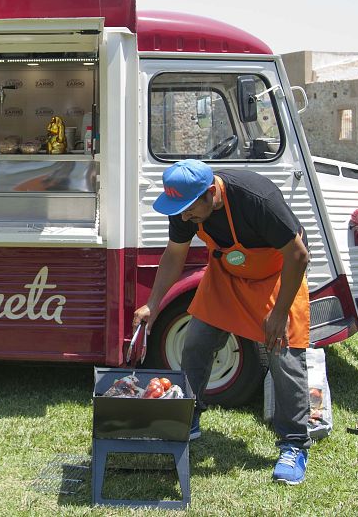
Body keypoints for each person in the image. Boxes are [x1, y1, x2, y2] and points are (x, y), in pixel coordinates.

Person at [133, 159, 312, 486]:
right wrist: (153, 304)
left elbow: (299, 255)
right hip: (227, 276)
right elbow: (175, 254)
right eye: (180, 211)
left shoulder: (257, 198)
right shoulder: (184, 205)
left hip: (277, 277)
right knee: (197, 343)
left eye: (189, 210)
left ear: (211, 193)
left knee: (283, 354)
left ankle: (294, 444)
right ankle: (189, 418)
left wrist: (280, 311)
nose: (184, 217)